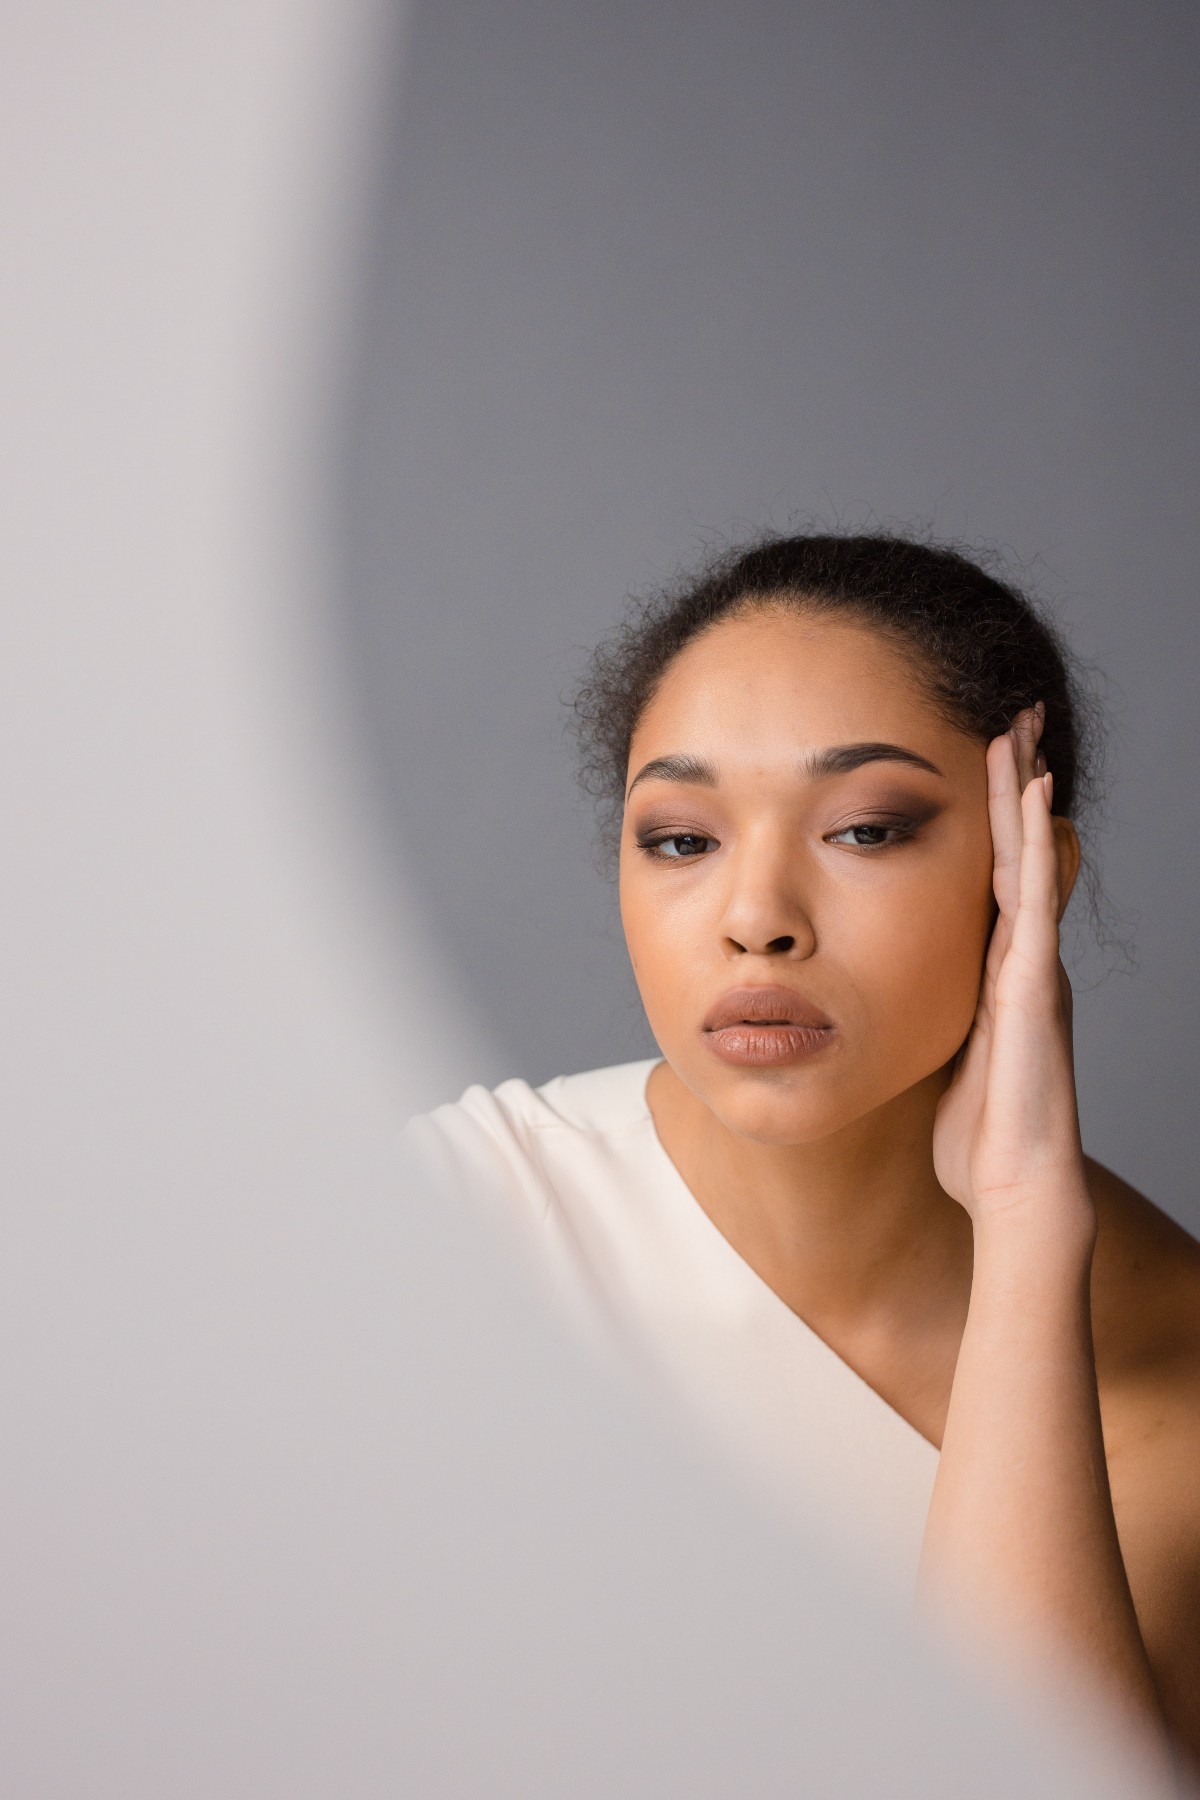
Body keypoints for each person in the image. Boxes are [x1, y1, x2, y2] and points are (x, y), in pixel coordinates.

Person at [406, 533, 1200, 1777]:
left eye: (867, 830)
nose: (756, 916)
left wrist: (1028, 1235)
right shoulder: (449, 1230)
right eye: (681, 838)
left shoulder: (1173, 1372)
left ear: (1028, 877)